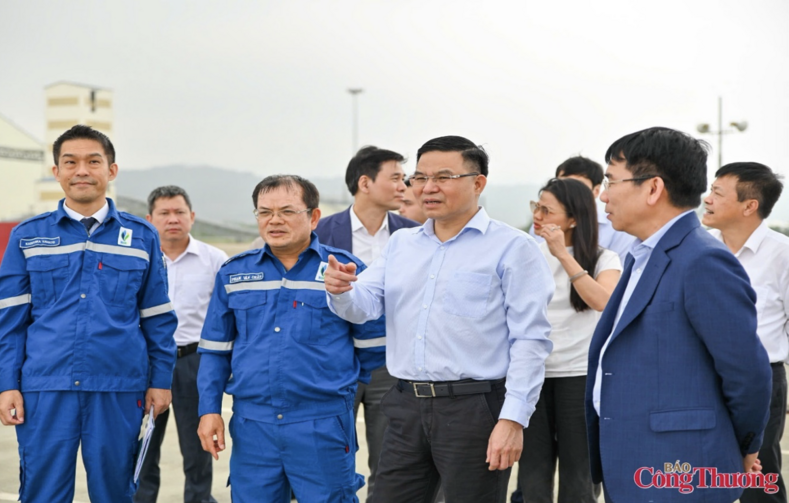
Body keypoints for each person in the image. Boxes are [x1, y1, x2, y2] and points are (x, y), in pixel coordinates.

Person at [325, 135, 555, 503]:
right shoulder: (402, 244)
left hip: (474, 409)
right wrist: (341, 290)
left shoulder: (513, 248)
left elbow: (530, 340)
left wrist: (512, 420)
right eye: (420, 177)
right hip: (406, 405)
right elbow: (364, 305)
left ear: (478, 183)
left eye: (443, 177)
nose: (428, 188)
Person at [585, 127, 772, 502]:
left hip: (680, 468)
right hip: (633, 460)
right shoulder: (640, 256)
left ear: (653, 188)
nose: (603, 195)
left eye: (611, 181)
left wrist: (741, 446)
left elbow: (746, 372)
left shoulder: (702, 260)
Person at [0, 125, 177, 502]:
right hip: (45, 386)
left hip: (118, 386)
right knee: (42, 491)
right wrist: (8, 384)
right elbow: (10, 322)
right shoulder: (27, 236)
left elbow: (157, 318)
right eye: (70, 162)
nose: (81, 171)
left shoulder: (142, 236)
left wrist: (161, 380)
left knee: (115, 490)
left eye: (93, 162)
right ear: (56, 171)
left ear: (111, 170)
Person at [196, 175, 386, 503]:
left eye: (287, 211)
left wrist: (335, 386)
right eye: (265, 212)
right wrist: (209, 410)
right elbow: (215, 350)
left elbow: (372, 346)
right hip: (253, 423)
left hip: (322, 422)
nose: (274, 220)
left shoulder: (343, 270)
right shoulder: (234, 274)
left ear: (314, 217)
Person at [315, 145, 420, 501]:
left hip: (389, 365)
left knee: (390, 463)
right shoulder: (322, 234)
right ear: (365, 183)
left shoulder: (413, 235)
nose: (404, 186)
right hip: (332, 364)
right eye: (396, 178)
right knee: (330, 461)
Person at [518, 178, 622, 503]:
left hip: (579, 375)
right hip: (532, 374)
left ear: (573, 219)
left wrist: (562, 254)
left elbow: (603, 301)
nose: (537, 216)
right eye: (536, 207)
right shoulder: (526, 255)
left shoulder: (605, 258)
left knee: (579, 474)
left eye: (547, 210)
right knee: (532, 474)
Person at [134, 186, 227, 503]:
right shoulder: (139, 258)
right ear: (150, 219)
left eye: (179, 212)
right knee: (143, 444)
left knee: (198, 445)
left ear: (192, 216)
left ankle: (199, 499)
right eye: (164, 213)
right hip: (146, 364)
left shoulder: (214, 260)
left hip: (194, 361)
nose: (172, 219)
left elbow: (226, 317)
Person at [702, 162, 789, 503]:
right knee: (700, 474)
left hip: (760, 379)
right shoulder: (702, 250)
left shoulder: (782, 254)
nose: (707, 199)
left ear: (749, 205)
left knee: (759, 478)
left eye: (717, 193)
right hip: (705, 377)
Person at [530, 156, 635, 261]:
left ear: (596, 191)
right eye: (561, 185)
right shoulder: (538, 226)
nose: (567, 191)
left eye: (577, 186)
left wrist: (562, 255)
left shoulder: (617, 230)